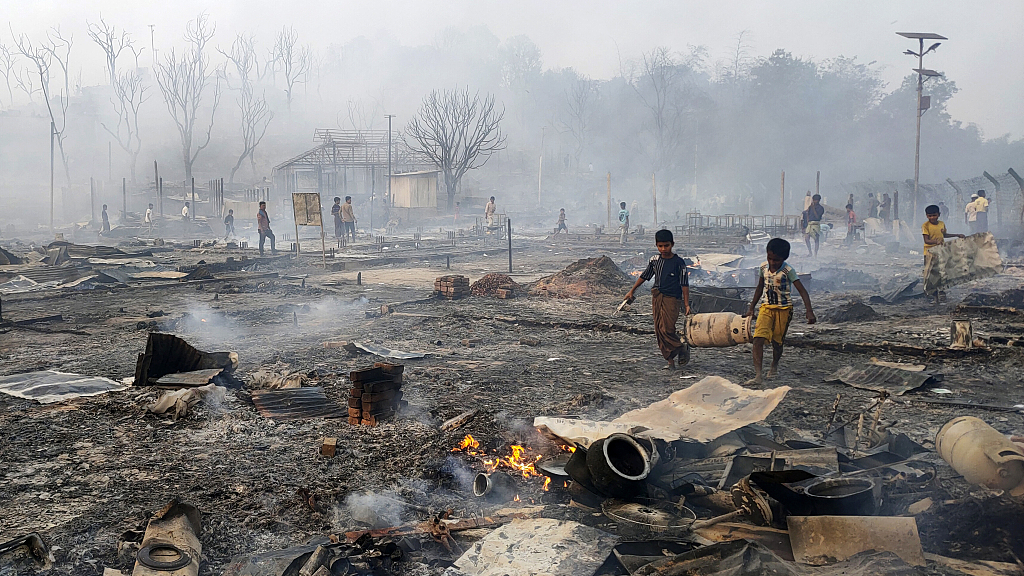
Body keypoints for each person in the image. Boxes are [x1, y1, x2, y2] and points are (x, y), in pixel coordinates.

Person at [745, 238, 815, 385]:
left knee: (777, 342)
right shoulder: (763, 268)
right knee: (757, 339)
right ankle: (758, 375)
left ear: (784, 258)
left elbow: (802, 291)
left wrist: (809, 311)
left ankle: (774, 365)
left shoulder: (788, 271)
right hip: (766, 308)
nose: (772, 262)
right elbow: (759, 287)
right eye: (769, 258)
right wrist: (752, 307)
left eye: (776, 260)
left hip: (783, 309)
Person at [624, 229, 692, 370]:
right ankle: (670, 362)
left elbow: (684, 284)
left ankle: (681, 347)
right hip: (657, 296)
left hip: (673, 298)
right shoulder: (655, 261)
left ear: (672, 244)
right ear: (656, 245)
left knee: (667, 329)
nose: (663, 249)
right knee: (659, 330)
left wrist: (686, 304)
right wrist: (631, 291)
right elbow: (645, 276)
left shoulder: (679, 263)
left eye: (666, 246)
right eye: (660, 246)